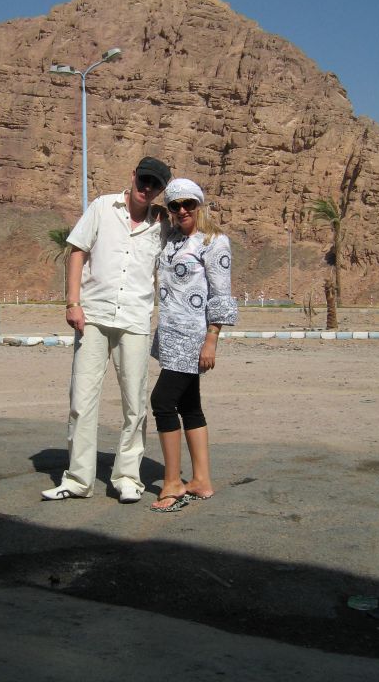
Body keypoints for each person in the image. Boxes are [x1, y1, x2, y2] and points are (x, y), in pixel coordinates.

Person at [41, 156, 172, 503]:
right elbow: (77, 251)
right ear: (133, 176)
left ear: (160, 191)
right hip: (94, 316)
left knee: (135, 403)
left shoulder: (162, 223)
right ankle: (78, 479)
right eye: (143, 180)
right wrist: (72, 302)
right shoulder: (102, 207)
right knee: (82, 400)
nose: (146, 188)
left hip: (134, 320)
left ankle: (127, 477)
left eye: (155, 185)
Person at [149, 178, 238, 512]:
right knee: (189, 406)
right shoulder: (172, 238)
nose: (182, 210)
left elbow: (221, 294)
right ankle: (201, 480)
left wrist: (211, 339)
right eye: (175, 205)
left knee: (162, 401)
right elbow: (148, 214)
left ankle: (172, 482)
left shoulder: (214, 242)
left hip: (193, 337)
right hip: (170, 334)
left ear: (200, 204)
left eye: (189, 203)